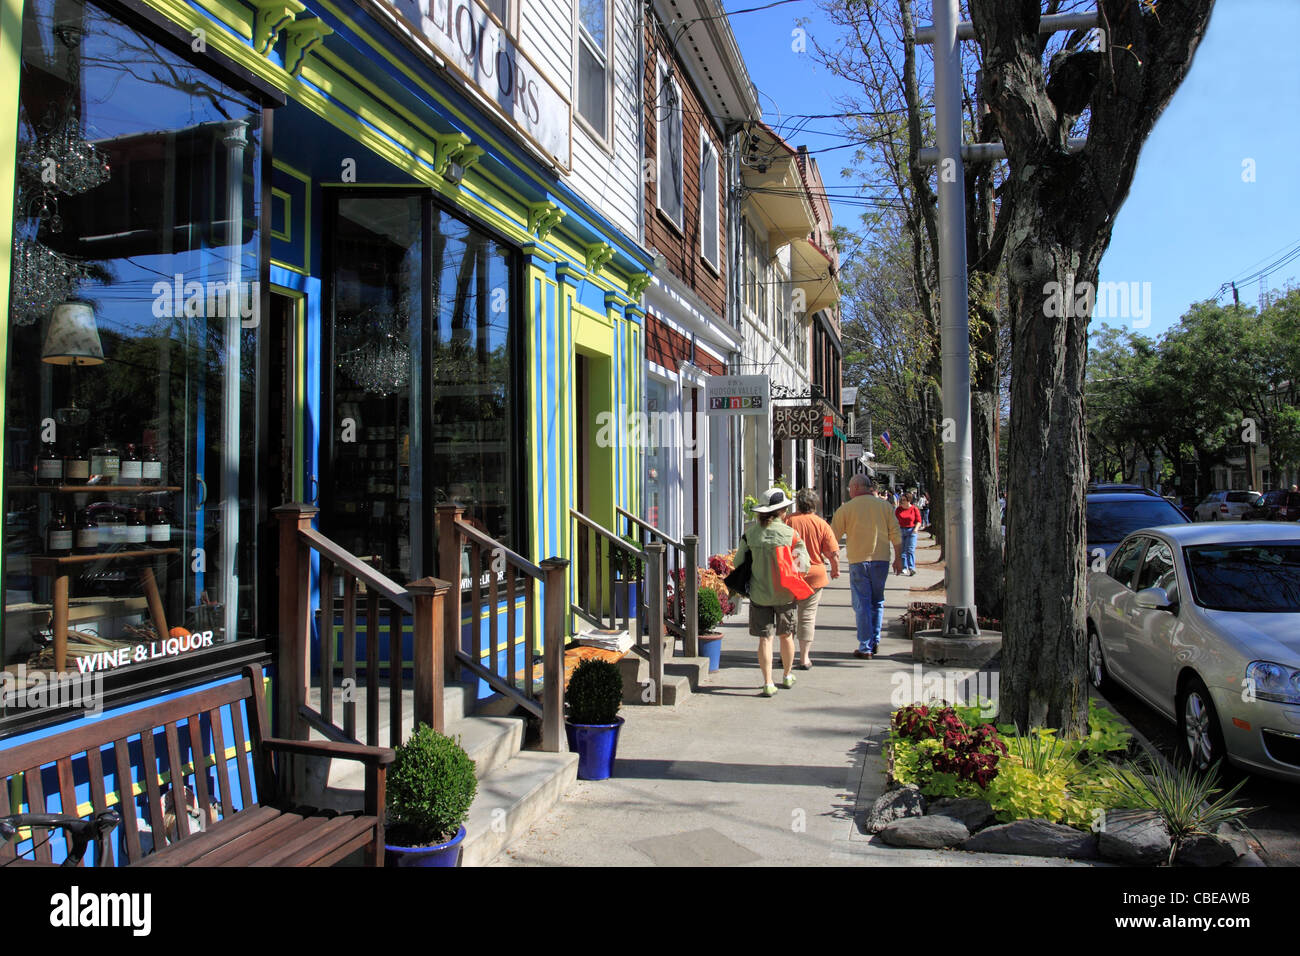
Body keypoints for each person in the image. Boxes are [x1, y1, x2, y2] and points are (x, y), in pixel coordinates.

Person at [734, 487, 810, 697]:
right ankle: (787, 675)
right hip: (785, 594)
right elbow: (803, 566)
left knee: (765, 639)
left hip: (759, 594)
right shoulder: (791, 535)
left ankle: (767, 682)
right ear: (781, 512)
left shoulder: (750, 535)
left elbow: (738, 562)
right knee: (786, 636)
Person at [831, 474, 903, 660]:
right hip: (881, 560)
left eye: (850, 488)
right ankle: (874, 640)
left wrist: (832, 559)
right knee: (877, 601)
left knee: (862, 603)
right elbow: (896, 533)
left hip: (858, 560)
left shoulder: (846, 509)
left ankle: (865, 646)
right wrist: (898, 558)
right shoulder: (885, 507)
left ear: (855, 488)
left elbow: (833, 537)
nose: (849, 491)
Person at [785, 489, 840, 669]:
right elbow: (832, 553)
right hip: (814, 576)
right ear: (815, 505)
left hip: (791, 574)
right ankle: (804, 658)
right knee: (807, 616)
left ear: (798, 503)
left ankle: (787, 653)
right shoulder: (821, 524)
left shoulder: (788, 521)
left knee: (788, 615)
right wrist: (835, 570)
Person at [895, 492, 922, 575]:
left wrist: (915, 529)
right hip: (901, 530)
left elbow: (919, 521)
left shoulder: (914, 509)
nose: (902, 502)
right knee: (902, 550)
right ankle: (904, 567)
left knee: (910, 550)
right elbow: (894, 520)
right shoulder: (898, 509)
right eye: (901, 500)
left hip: (911, 531)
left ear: (908, 500)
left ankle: (911, 568)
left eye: (904, 500)